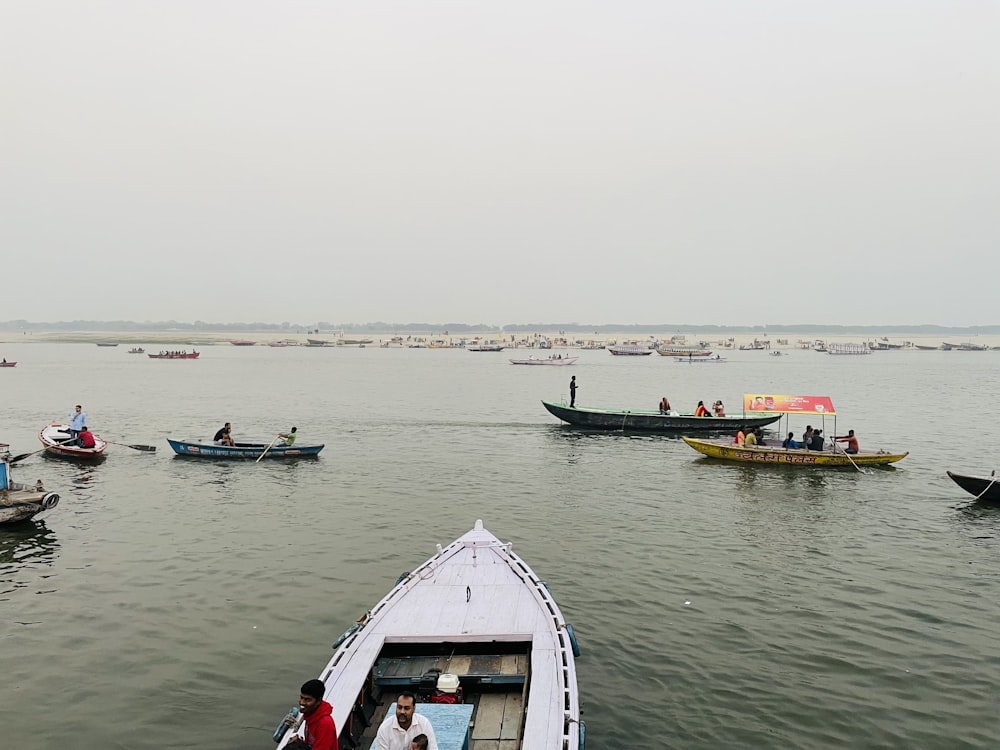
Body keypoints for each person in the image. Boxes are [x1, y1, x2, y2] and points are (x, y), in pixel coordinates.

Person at [295, 678, 338, 750]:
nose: (302, 702)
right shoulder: (310, 715)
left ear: (318, 701)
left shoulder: (325, 724)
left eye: (307, 699)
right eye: (301, 697)